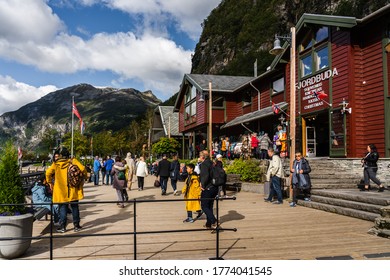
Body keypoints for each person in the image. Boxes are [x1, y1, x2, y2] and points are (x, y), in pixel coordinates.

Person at [45, 146, 87, 233]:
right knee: (75, 207)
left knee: (62, 208)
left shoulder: (56, 164)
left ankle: (63, 227)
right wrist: (85, 177)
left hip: (60, 190)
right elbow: (83, 169)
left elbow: (48, 173)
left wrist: (50, 182)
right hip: (73, 189)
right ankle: (76, 226)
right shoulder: (72, 162)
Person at [199, 150, 219, 230]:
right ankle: (208, 224)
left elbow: (205, 176)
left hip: (208, 188)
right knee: (209, 206)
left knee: (204, 206)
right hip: (214, 187)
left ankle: (214, 221)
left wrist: (202, 184)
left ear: (202, 157)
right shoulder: (212, 163)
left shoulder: (204, 164)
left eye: (200, 156)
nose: (199, 157)